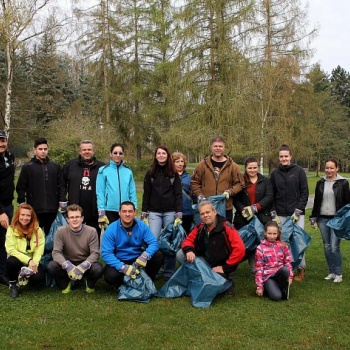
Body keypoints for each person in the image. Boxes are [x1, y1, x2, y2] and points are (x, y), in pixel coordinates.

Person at [177, 201, 245, 294]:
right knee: (181, 254)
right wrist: (189, 250)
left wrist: (225, 268)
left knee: (215, 289)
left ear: (214, 212)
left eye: (208, 212)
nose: (205, 215)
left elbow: (240, 249)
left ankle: (228, 283)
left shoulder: (226, 226)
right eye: (202, 214)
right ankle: (202, 278)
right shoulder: (200, 226)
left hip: (222, 265)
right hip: (206, 262)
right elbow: (187, 241)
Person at [102, 201, 163, 290]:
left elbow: (154, 243)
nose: (127, 214)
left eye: (130, 211)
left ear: (135, 213)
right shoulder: (111, 229)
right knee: (110, 276)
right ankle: (121, 283)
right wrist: (122, 267)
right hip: (120, 259)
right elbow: (106, 254)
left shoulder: (142, 225)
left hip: (138, 259)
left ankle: (146, 280)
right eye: (124, 211)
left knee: (158, 256)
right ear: (119, 213)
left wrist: (145, 255)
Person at [141, 146, 182, 280]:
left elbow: (178, 194)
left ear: (167, 155)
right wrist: (144, 211)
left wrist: (179, 211)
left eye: (163, 153)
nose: (161, 155)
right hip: (154, 212)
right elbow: (146, 193)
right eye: (158, 153)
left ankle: (169, 271)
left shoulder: (173, 173)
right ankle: (155, 268)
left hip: (170, 212)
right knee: (153, 241)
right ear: (155, 155)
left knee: (169, 242)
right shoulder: (150, 173)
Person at [270, 144, 309, 281]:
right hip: (280, 213)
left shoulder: (298, 171)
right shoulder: (275, 174)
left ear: (290, 156)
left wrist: (298, 211)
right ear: (279, 157)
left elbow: (305, 192)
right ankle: (283, 269)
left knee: (298, 241)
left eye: (286, 156)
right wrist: (274, 213)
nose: (284, 158)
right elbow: (271, 194)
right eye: (281, 156)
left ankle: (301, 269)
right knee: (282, 242)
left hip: (296, 214)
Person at [47, 204, 103, 293]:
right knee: (51, 266)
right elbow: (56, 252)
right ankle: (66, 283)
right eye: (71, 217)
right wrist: (67, 266)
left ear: (82, 218)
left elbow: (95, 253)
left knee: (98, 268)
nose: (75, 219)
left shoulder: (91, 231)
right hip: (68, 262)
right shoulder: (60, 231)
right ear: (67, 219)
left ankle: (89, 284)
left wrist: (84, 266)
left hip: (85, 262)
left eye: (77, 216)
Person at [310, 158, 350, 283]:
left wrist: (345, 218)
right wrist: (313, 217)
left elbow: (347, 203)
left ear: (336, 168)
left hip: (337, 219)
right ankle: (331, 272)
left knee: (334, 246)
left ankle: (338, 273)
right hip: (322, 219)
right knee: (327, 246)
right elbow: (317, 201)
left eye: (332, 168)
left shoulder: (343, 183)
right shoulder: (320, 182)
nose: (329, 170)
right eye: (327, 168)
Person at [16, 137, 66, 235]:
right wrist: (21, 202)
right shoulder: (28, 167)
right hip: (35, 209)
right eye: (40, 149)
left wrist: (62, 200)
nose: (43, 151)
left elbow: (61, 185)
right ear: (35, 150)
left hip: (52, 209)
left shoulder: (55, 166)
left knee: (52, 237)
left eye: (45, 149)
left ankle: (50, 251)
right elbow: (21, 186)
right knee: (33, 236)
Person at [191, 136, 244, 223]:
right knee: (205, 233)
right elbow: (194, 182)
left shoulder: (233, 166)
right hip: (206, 207)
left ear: (224, 148)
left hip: (226, 207)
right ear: (211, 147)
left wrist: (230, 191)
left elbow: (240, 184)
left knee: (225, 233)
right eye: (215, 146)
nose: (218, 148)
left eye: (220, 146)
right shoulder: (202, 165)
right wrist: (199, 195)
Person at [62, 140, 105, 234]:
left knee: (92, 241)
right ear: (80, 151)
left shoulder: (102, 167)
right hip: (74, 212)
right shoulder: (70, 165)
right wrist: (63, 200)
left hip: (94, 212)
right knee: (73, 242)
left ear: (93, 151)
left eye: (89, 149)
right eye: (84, 149)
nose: (87, 152)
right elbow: (62, 184)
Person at [5, 204, 45, 298]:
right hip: (18, 260)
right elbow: (10, 249)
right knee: (11, 261)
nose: (25, 218)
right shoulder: (11, 229)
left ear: (32, 217)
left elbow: (39, 249)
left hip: (32, 262)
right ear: (18, 216)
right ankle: (13, 284)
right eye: (22, 215)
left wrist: (34, 263)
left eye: (28, 215)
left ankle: (25, 277)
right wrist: (28, 260)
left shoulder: (38, 230)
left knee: (38, 278)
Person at [96, 143, 137, 229]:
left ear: (123, 155)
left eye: (120, 153)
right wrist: (101, 211)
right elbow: (100, 192)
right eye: (115, 153)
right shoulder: (103, 171)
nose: (118, 155)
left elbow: (132, 192)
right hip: (110, 210)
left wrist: (134, 207)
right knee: (112, 236)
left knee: (126, 235)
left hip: (125, 210)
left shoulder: (128, 171)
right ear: (110, 154)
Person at [255, 221, 293, 301]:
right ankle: (269, 287)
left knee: (285, 270)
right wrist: (259, 286)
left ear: (278, 233)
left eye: (274, 234)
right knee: (277, 297)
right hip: (268, 277)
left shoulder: (283, 246)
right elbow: (259, 268)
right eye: (269, 233)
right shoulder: (260, 248)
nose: (272, 236)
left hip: (279, 273)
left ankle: (282, 286)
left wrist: (290, 277)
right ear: (265, 233)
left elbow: (288, 263)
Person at [233, 157, 273, 229]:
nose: (252, 170)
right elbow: (235, 199)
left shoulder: (265, 181)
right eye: (250, 168)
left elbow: (269, 196)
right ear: (245, 168)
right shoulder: (240, 181)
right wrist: (243, 210)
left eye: (255, 168)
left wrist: (255, 208)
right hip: (243, 219)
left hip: (262, 217)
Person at [0, 130, 15, 286]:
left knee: (4, 239)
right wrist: (1, 212)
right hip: (1, 207)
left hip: (8, 203)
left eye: (3, 140)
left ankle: (2, 272)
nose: (1, 143)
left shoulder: (9, 157)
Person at [172, 152, 194, 233]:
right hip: (172, 212)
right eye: (177, 162)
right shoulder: (169, 177)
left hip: (187, 212)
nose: (180, 164)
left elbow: (193, 195)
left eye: (182, 161)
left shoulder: (190, 178)